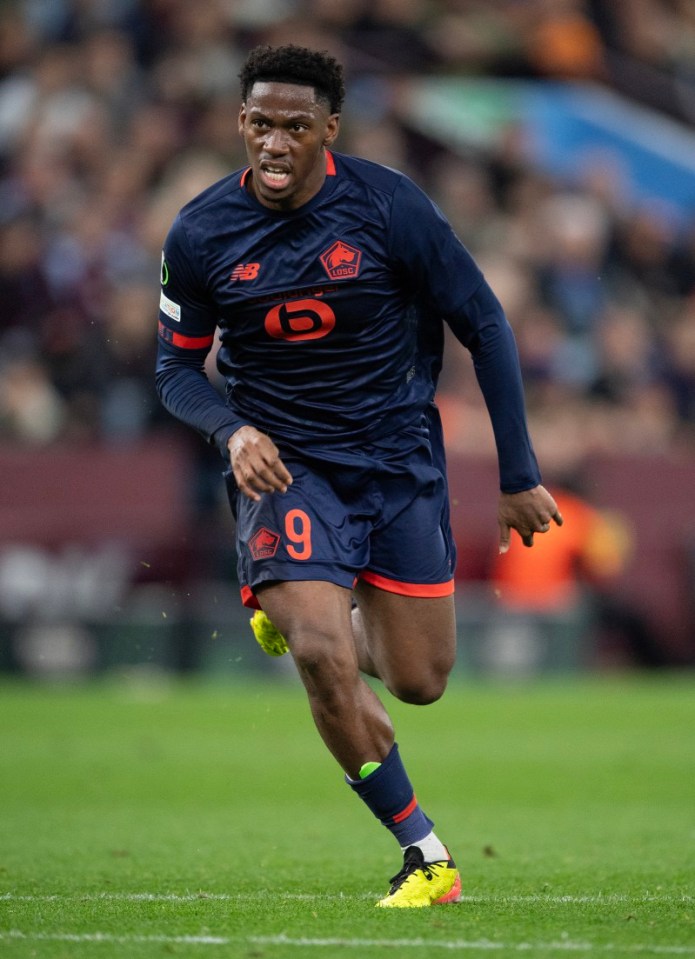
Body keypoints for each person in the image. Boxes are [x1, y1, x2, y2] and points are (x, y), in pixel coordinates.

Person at [155, 43, 562, 908]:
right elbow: (174, 369)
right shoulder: (199, 232)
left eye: (294, 127)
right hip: (286, 469)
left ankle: (306, 603)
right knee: (319, 653)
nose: (273, 142)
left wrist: (519, 472)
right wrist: (231, 430)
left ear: (328, 131)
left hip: (395, 460)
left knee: (419, 680)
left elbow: (482, 322)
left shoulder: (388, 207)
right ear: (240, 123)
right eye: (258, 123)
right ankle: (425, 854)